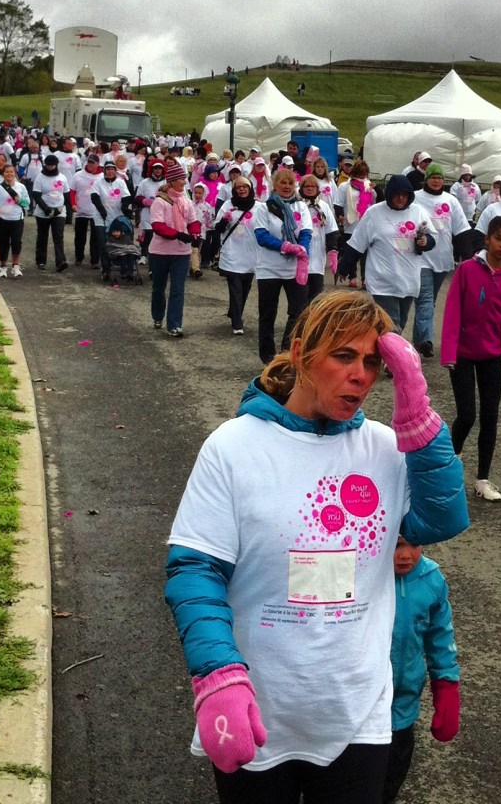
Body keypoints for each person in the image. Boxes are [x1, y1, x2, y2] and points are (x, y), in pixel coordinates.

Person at [164, 293, 469, 801]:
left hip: (355, 713)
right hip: (261, 707)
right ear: (302, 352)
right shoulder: (234, 446)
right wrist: (217, 675)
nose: (361, 375)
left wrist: (419, 417)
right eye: (344, 356)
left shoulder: (385, 448)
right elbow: (195, 570)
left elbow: (442, 518)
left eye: (373, 362)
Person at [440, 215, 501, 502]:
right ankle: (449, 465)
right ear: (487, 239)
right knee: (467, 415)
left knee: (491, 417)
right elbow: (453, 311)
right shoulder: (467, 270)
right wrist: (449, 352)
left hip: (492, 357)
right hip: (462, 356)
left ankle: (482, 479)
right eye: (499, 239)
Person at [383, 535, 461, 803]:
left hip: (404, 707)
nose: (405, 555)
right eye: (395, 545)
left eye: (413, 544)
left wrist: (447, 687)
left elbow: (440, 638)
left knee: (391, 780)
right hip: (361, 706)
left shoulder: (431, 580)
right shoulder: (364, 577)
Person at [340, 174, 435, 332]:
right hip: (382, 280)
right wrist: (344, 266)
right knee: (391, 326)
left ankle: (383, 352)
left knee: (399, 325)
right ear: (389, 194)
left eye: (404, 195)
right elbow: (357, 243)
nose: (400, 199)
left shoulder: (418, 212)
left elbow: (431, 238)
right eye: (397, 195)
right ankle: (390, 356)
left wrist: (426, 242)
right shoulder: (374, 213)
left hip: (408, 280)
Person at [253, 167, 313, 362]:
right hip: (269, 269)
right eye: (283, 182)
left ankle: (287, 350)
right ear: (275, 185)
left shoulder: (301, 207)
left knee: (299, 311)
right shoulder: (263, 208)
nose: (287, 186)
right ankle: (268, 356)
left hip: (294, 268)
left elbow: (305, 232)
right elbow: (262, 237)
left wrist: (302, 248)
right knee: (268, 313)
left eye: (290, 183)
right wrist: (286, 246)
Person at [411, 164, 470, 359]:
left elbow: (461, 230)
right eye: (433, 177)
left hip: (443, 258)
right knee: (426, 299)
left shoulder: (451, 201)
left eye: (439, 177)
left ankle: (417, 341)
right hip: (421, 258)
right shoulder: (416, 198)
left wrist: (469, 257)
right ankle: (427, 340)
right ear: (426, 178)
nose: (436, 180)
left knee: (428, 301)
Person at [149, 161, 198, 338]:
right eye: (182, 179)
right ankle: (157, 316)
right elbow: (158, 226)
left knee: (177, 290)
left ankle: (174, 324)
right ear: (172, 181)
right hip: (160, 252)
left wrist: (194, 234)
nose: (185, 182)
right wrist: (179, 234)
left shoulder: (186, 201)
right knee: (159, 287)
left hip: (181, 253)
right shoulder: (160, 202)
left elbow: (193, 222)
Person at [215, 175, 259, 335]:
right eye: (238, 187)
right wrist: (225, 220)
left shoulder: (259, 207)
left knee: (246, 286)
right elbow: (217, 228)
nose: (241, 189)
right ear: (234, 190)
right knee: (236, 287)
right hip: (232, 252)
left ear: (250, 189)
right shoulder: (227, 205)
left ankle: (234, 311)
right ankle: (237, 322)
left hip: (250, 254)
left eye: (244, 186)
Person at [299, 173, 339, 302]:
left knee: (315, 297)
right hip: (298, 260)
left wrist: (332, 251)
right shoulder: (297, 205)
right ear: (301, 188)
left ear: (317, 189)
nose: (310, 189)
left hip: (317, 260)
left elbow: (331, 230)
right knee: (300, 298)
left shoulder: (323, 207)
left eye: (313, 186)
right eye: (307, 186)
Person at [0, 163, 30, 278]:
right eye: (6, 172)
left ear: (15, 173)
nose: (9, 174)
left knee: (16, 242)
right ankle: (3, 266)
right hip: (2, 219)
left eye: (11, 172)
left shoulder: (21, 187)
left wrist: (20, 201)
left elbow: (27, 203)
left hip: (17, 219)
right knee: (3, 243)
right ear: (3, 174)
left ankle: (15, 265)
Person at [32, 154, 70, 272]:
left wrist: (68, 211)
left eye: (52, 165)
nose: (50, 167)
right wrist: (46, 209)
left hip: (59, 210)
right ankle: (41, 260)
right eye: (48, 165)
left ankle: (60, 261)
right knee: (42, 236)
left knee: (58, 236)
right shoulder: (40, 177)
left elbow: (66, 194)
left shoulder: (62, 177)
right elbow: (36, 195)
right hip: (44, 211)